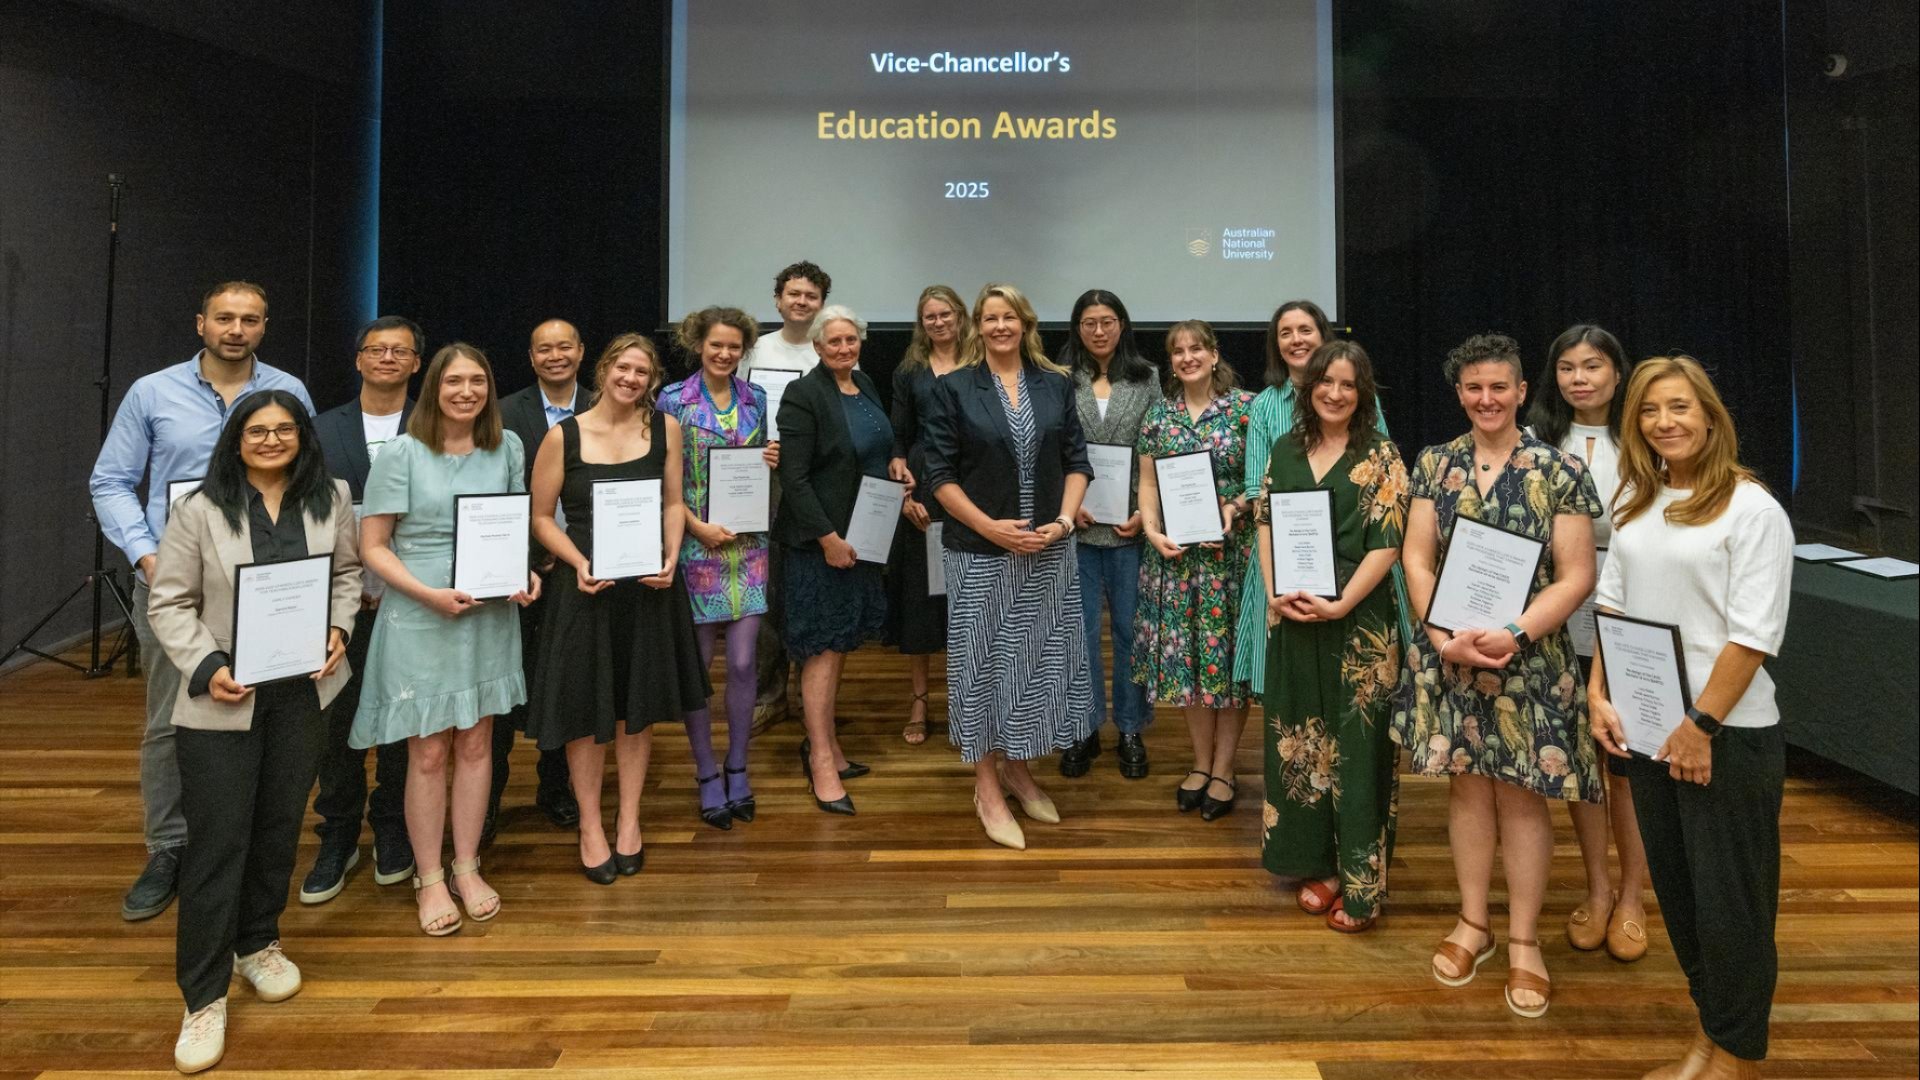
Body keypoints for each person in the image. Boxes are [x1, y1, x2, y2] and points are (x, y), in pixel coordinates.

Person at [1590, 356, 1793, 1080]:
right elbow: (1611, 603)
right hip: (1647, 729)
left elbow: (1753, 634)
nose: (1664, 422)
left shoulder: (1752, 509)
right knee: (1682, 899)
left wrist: (1700, 727)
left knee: (1732, 908)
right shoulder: (1638, 501)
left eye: (1678, 407)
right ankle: (1708, 1041)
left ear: (1709, 416)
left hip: (1724, 738)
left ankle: (1734, 1060)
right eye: (1649, 411)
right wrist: (1597, 694)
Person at [145, 390, 359, 1073]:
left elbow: (348, 576)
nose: (271, 440)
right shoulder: (199, 509)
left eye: (283, 429)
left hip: (303, 695)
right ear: (236, 439)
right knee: (217, 844)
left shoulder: (333, 497)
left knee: (276, 829)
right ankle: (203, 998)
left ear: (303, 437)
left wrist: (339, 628)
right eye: (257, 430)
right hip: (223, 699)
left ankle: (257, 943)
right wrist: (207, 666)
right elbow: (169, 600)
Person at [89, 280, 316, 922]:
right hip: (178, 585)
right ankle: (168, 846)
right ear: (201, 324)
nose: (235, 329)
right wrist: (146, 554)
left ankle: (237, 841)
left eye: (249, 319)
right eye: (224, 318)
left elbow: (306, 481)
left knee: (258, 714)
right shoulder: (151, 392)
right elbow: (109, 480)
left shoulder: (289, 392)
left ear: (264, 326)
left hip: (266, 585)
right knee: (171, 717)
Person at [1396, 332, 1602, 1019]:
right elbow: (1416, 559)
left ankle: (1522, 941)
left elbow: (1577, 575)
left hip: (1529, 660)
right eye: (1473, 388)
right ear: (1460, 394)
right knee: (1467, 791)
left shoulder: (1559, 469)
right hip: (1452, 657)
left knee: (1522, 798)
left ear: (1519, 391)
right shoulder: (1434, 462)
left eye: (1499, 387)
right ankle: (1474, 923)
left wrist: (1515, 632)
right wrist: (1440, 636)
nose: (1486, 399)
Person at [350, 343, 539, 937]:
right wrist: (426, 593)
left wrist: (524, 571)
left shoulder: (506, 446)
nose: (466, 392)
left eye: (477, 381)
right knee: (428, 750)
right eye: (454, 381)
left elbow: (512, 525)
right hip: (422, 613)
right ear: (433, 386)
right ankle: (429, 876)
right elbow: (372, 545)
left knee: (479, 743)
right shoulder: (401, 453)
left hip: (486, 614)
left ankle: (467, 865)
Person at [526, 334, 710, 881]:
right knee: (587, 712)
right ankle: (590, 825)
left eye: (643, 373)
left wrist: (674, 552)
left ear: (652, 382)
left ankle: (629, 819)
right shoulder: (564, 436)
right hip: (586, 590)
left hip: (649, 587)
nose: (631, 379)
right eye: (623, 368)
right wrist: (576, 560)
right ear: (604, 370)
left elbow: (674, 502)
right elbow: (539, 518)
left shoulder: (665, 430)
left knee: (638, 708)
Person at [923, 283, 1094, 851]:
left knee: (1034, 667)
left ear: (1025, 322)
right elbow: (939, 476)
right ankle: (986, 786)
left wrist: (1066, 522)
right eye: (989, 317)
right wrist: (988, 527)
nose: (999, 326)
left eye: (1008, 316)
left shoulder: (1056, 384)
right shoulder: (952, 389)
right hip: (979, 552)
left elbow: (1076, 459)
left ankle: (1019, 768)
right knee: (983, 668)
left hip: (1047, 551)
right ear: (978, 325)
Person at [1255, 342, 1408, 932]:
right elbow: (1267, 521)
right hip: (1294, 616)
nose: (1335, 393)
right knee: (1302, 738)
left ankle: (1361, 881)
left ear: (1362, 392)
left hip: (1360, 622)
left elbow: (1388, 543)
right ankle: (1320, 862)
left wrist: (1342, 602)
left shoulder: (1382, 456)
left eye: (1348, 384)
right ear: (1309, 387)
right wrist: (1274, 591)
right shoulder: (1286, 448)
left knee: (1358, 748)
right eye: (1326, 382)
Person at [1525, 324, 1651, 962]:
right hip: (1561, 617)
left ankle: (1633, 895)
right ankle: (1597, 889)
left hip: (1635, 617)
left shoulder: (1649, 435)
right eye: (1568, 367)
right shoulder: (1539, 439)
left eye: (1593, 366)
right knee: (1579, 763)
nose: (1580, 379)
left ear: (1618, 372)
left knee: (1624, 763)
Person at [300, 315, 421, 904]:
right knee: (336, 722)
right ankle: (339, 831)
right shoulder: (320, 429)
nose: (388, 358)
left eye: (401, 351)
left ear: (417, 363)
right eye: (377, 349)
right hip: (337, 604)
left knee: (402, 717)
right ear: (358, 359)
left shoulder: (437, 426)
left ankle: (392, 825)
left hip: (412, 600)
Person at [1233, 301, 1398, 698]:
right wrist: (1278, 587)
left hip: (1357, 564)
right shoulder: (1265, 407)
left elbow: (1382, 484)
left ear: (1323, 335)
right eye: (1285, 332)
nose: (1296, 339)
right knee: (1294, 689)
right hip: (1287, 567)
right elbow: (1260, 496)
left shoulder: (1369, 416)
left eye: (1304, 329)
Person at [1133, 321, 1258, 820]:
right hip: (1176, 561)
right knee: (1188, 664)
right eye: (1178, 351)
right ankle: (1201, 764)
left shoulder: (1246, 409)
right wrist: (1151, 529)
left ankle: (1225, 770)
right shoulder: (1158, 416)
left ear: (1213, 353)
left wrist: (1235, 509)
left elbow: (1262, 479)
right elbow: (1147, 485)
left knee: (1227, 667)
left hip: (1230, 558)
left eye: (1196, 348)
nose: (1187, 357)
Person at [661, 308, 777, 827]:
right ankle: (706, 771)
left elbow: (762, 467)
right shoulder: (672, 401)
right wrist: (694, 526)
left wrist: (773, 457)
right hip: (697, 546)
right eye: (717, 346)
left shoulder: (758, 399)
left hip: (749, 546)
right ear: (698, 345)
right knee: (700, 669)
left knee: (746, 662)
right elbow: (664, 481)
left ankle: (737, 765)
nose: (726, 354)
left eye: (734, 347)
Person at [773, 305, 889, 815]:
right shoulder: (803, 396)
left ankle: (830, 745)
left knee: (839, 644)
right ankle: (819, 756)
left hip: (864, 538)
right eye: (834, 342)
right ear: (817, 347)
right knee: (820, 649)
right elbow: (793, 478)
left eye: (851, 340)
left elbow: (880, 448)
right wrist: (826, 537)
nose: (844, 349)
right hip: (821, 546)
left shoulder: (865, 386)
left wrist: (899, 465)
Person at [488, 319, 586, 838]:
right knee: (509, 686)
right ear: (531, 357)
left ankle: (556, 785)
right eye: (544, 349)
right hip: (524, 573)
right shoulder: (503, 412)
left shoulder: (605, 404)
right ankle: (489, 800)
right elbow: (495, 494)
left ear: (580, 351)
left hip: (588, 572)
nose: (555, 356)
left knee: (567, 683)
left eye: (564, 347)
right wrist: (531, 557)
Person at [1055, 289, 1157, 779]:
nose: (1099, 330)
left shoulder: (1148, 378)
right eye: (1089, 322)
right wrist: (1068, 507)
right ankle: (1083, 726)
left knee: (1130, 632)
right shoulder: (1057, 380)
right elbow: (1049, 449)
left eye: (1108, 321)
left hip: (1130, 529)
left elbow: (1157, 449)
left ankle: (1132, 727)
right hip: (1076, 530)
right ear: (1077, 328)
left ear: (1122, 325)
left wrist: (1144, 511)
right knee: (1078, 635)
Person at [748, 261, 832, 731]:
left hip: (814, 481)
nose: (801, 301)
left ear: (821, 303)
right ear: (778, 299)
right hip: (765, 480)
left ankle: (812, 692)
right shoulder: (755, 350)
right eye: (793, 293)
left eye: (811, 295)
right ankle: (770, 694)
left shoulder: (830, 351)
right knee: (769, 589)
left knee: (810, 588)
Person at [885, 285, 971, 745]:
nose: (938, 322)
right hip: (923, 490)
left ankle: (964, 699)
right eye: (929, 316)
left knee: (965, 596)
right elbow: (898, 438)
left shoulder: (980, 363)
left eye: (945, 314)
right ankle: (920, 699)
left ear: (960, 316)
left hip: (972, 485)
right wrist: (902, 480)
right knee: (923, 596)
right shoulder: (910, 370)